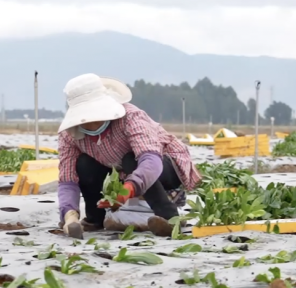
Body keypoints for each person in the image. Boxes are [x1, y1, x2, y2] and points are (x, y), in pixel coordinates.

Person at [57, 73, 201, 238]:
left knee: (131, 159)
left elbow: (151, 161)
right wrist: (69, 214)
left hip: (164, 165)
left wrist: (128, 190)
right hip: (122, 172)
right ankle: (95, 218)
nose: (90, 124)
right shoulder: (70, 135)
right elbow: (67, 180)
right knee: (84, 163)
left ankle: (169, 216)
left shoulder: (130, 117)